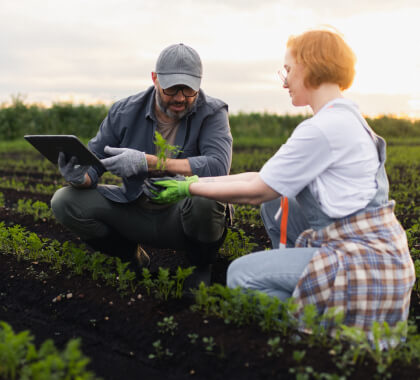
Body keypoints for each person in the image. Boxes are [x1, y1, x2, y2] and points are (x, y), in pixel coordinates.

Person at [144, 29, 416, 335]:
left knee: (241, 276)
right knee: (280, 199)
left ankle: (316, 338)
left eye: (288, 69)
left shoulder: (324, 128)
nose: (284, 81)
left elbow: (258, 191)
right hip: (381, 262)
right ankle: (317, 323)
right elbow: (264, 179)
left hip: (362, 268)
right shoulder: (346, 118)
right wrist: (193, 181)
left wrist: (187, 187)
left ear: (310, 66)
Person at [51, 43, 233, 287]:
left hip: (182, 213)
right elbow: (94, 161)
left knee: (207, 198)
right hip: (136, 207)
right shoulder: (124, 111)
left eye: (188, 90)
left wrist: (148, 163)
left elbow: (218, 166)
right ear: (155, 79)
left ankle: (199, 266)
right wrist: (80, 176)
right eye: (171, 89)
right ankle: (131, 256)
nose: (180, 98)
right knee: (65, 201)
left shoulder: (212, 112)